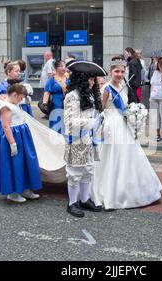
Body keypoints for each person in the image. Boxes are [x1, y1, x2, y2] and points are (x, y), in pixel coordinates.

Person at [91, 56, 162, 210]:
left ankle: (132, 189)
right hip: (112, 125)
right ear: (111, 72)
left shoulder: (124, 86)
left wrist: (133, 112)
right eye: (117, 71)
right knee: (113, 157)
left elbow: (127, 105)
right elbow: (101, 109)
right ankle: (112, 192)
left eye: (122, 71)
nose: (119, 74)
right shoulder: (106, 89)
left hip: (124, 124)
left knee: (130, 156)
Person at [63, 61, 104, 217]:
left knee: (88, 169)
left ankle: (84, 199)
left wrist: (99, 119)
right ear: (81, 79)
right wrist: (90, 122)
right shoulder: (72, 96)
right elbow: (69, 121)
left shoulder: (90, 95)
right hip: (76, 140)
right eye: (90, 79)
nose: (93, 82)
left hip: (89, 139)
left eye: (94, 79)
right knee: (74, 172)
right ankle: (72, 203)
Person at [0, 84, 41, 203]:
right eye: (20, 97)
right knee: (14, 164)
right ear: (15, 95)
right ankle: (13, 192)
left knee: (24, 163)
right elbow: (6, 126)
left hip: (21, 136)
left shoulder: (14, 104)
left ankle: (24, 188)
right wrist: (12, 143)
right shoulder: (6, 107)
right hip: (14, 138)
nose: (21, 100)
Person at [43, 60, 69, 133]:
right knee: (56, 121)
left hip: (67, 102)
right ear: (56, 68)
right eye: (61, 66)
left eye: (64, 66)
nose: (63, 68)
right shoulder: (53, 78)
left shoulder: (68, 78)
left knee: (66, 121)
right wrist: (45, 103)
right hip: (56, 103)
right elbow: (47, 91)